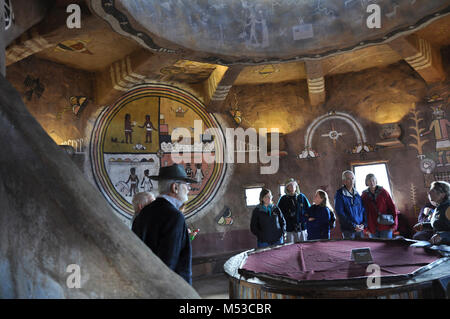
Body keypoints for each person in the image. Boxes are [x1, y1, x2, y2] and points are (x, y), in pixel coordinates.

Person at [132, 164, 196, 284]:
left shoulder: (143, 212)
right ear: (175, 187)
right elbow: (170, 263)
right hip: (171, 288)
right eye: (186, 184)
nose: (189, 188)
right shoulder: (174, 216)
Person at [361, 174, 398, 239]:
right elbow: (362, 212)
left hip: (385, 225)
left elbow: (392, 208)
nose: (372, 182)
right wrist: (365, 228)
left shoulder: (383, 192)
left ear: (376, 180)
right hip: (372, 227)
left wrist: (394, 225)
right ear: (366, 182)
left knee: (387, 247)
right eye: (369, 181)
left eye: (373, 180)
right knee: (375, 247)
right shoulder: (364, 195)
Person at [414, 181, 450, 245]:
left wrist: (442, 235)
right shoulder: (439, 207)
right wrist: (424, 225)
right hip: (442, 246)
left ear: (442, 194)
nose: (429, 192)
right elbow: (440, 225)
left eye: (432, 190)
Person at [334, 170, 367, 239]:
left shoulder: (357, 194)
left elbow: (363, 210)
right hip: (348, 230)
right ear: (344, 181)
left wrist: (363, 224)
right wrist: (353, 226)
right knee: (350, 249)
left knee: (361, 248)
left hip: (360, 228)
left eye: (352, 178)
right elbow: (340, 213)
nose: (351, 181)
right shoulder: (339, 194)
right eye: (348, 179)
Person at [277, 178, 310, 242]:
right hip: (289, 229)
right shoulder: (283, 199)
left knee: (303, 245)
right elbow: (279, 214)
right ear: (287, 188)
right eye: (289, 185)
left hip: (302, 228)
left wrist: (304, 219)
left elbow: (309, 210)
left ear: (296, 186)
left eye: (293, 185)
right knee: (291, 247)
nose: (292, 187)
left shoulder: (302, 197)